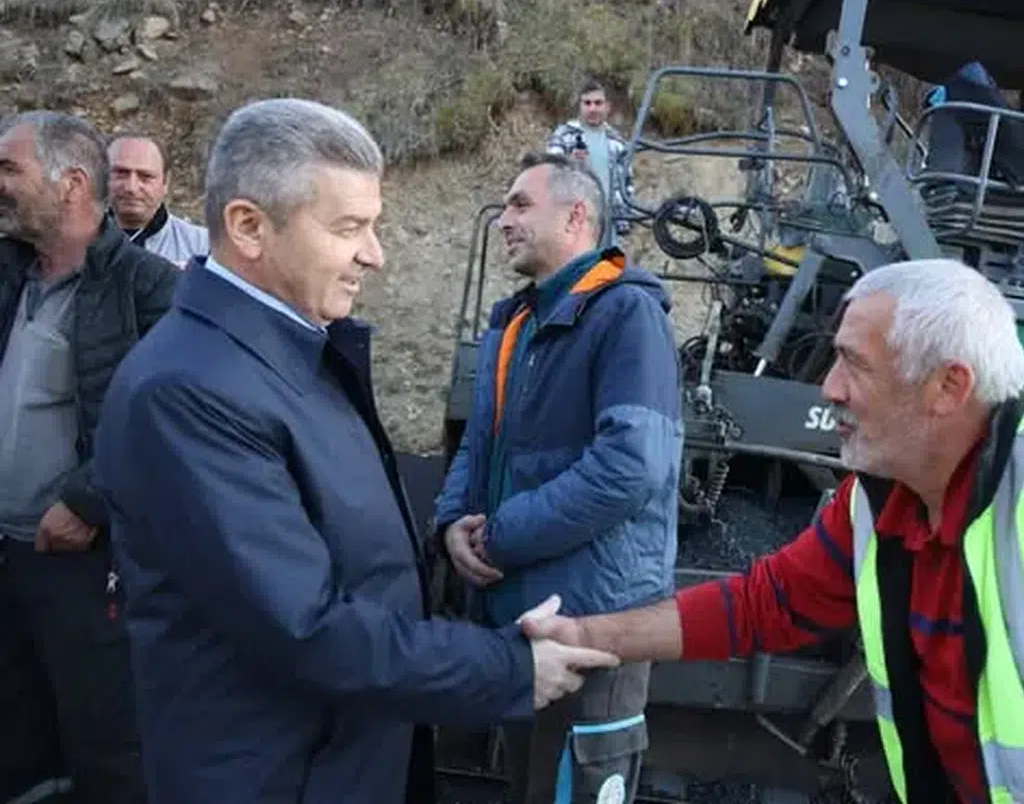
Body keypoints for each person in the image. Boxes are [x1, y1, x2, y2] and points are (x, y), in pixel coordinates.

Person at [520, 258, 1024, 803]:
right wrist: (589, 635)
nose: (830, 387)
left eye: (854, 364)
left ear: (949, 386)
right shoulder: (879, 503)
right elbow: (761, 605)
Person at [90, 98, 619, 804]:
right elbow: (303, 626)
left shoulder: (291, 350)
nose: (376, 253)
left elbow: (344, 550)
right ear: (249, 226)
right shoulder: (187, 390)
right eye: (350, 228)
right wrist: (505, 668)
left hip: (344, 755)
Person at [434, 151, 683, 804]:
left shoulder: (627, 314)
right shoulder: (517, 320)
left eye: (520, 204)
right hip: (527, 621)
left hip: (596, 622)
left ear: (576, 216)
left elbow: (632, 464)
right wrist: (451, 523)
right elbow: (483, 441)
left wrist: (502, 535)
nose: (503, 220)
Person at [0, 110, 176, 804]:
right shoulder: (9, 273)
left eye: (9, 169)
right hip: (6, 558)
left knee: (104, 742)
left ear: (70, 183)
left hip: (86, 562)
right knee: (16, 741)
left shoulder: (150, 288)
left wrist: (87, 500)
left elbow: (166, 424)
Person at [545, 79, 635, 240]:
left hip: (608, 224)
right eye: (587, 103)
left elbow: (627, 186)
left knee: (608, 264)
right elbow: (549, 173)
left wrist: (626, 219)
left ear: (608, 107)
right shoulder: (564, 135)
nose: (592, 108)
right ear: (580, 106)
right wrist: (570, 162)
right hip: (572, 220)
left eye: (598, 103)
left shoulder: (618, 143)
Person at [106, 133, 209, 267]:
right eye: (120, 173)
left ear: (165, 182)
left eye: (145, 176)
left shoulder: (202, 248)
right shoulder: (74, 245)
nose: (131, 187)